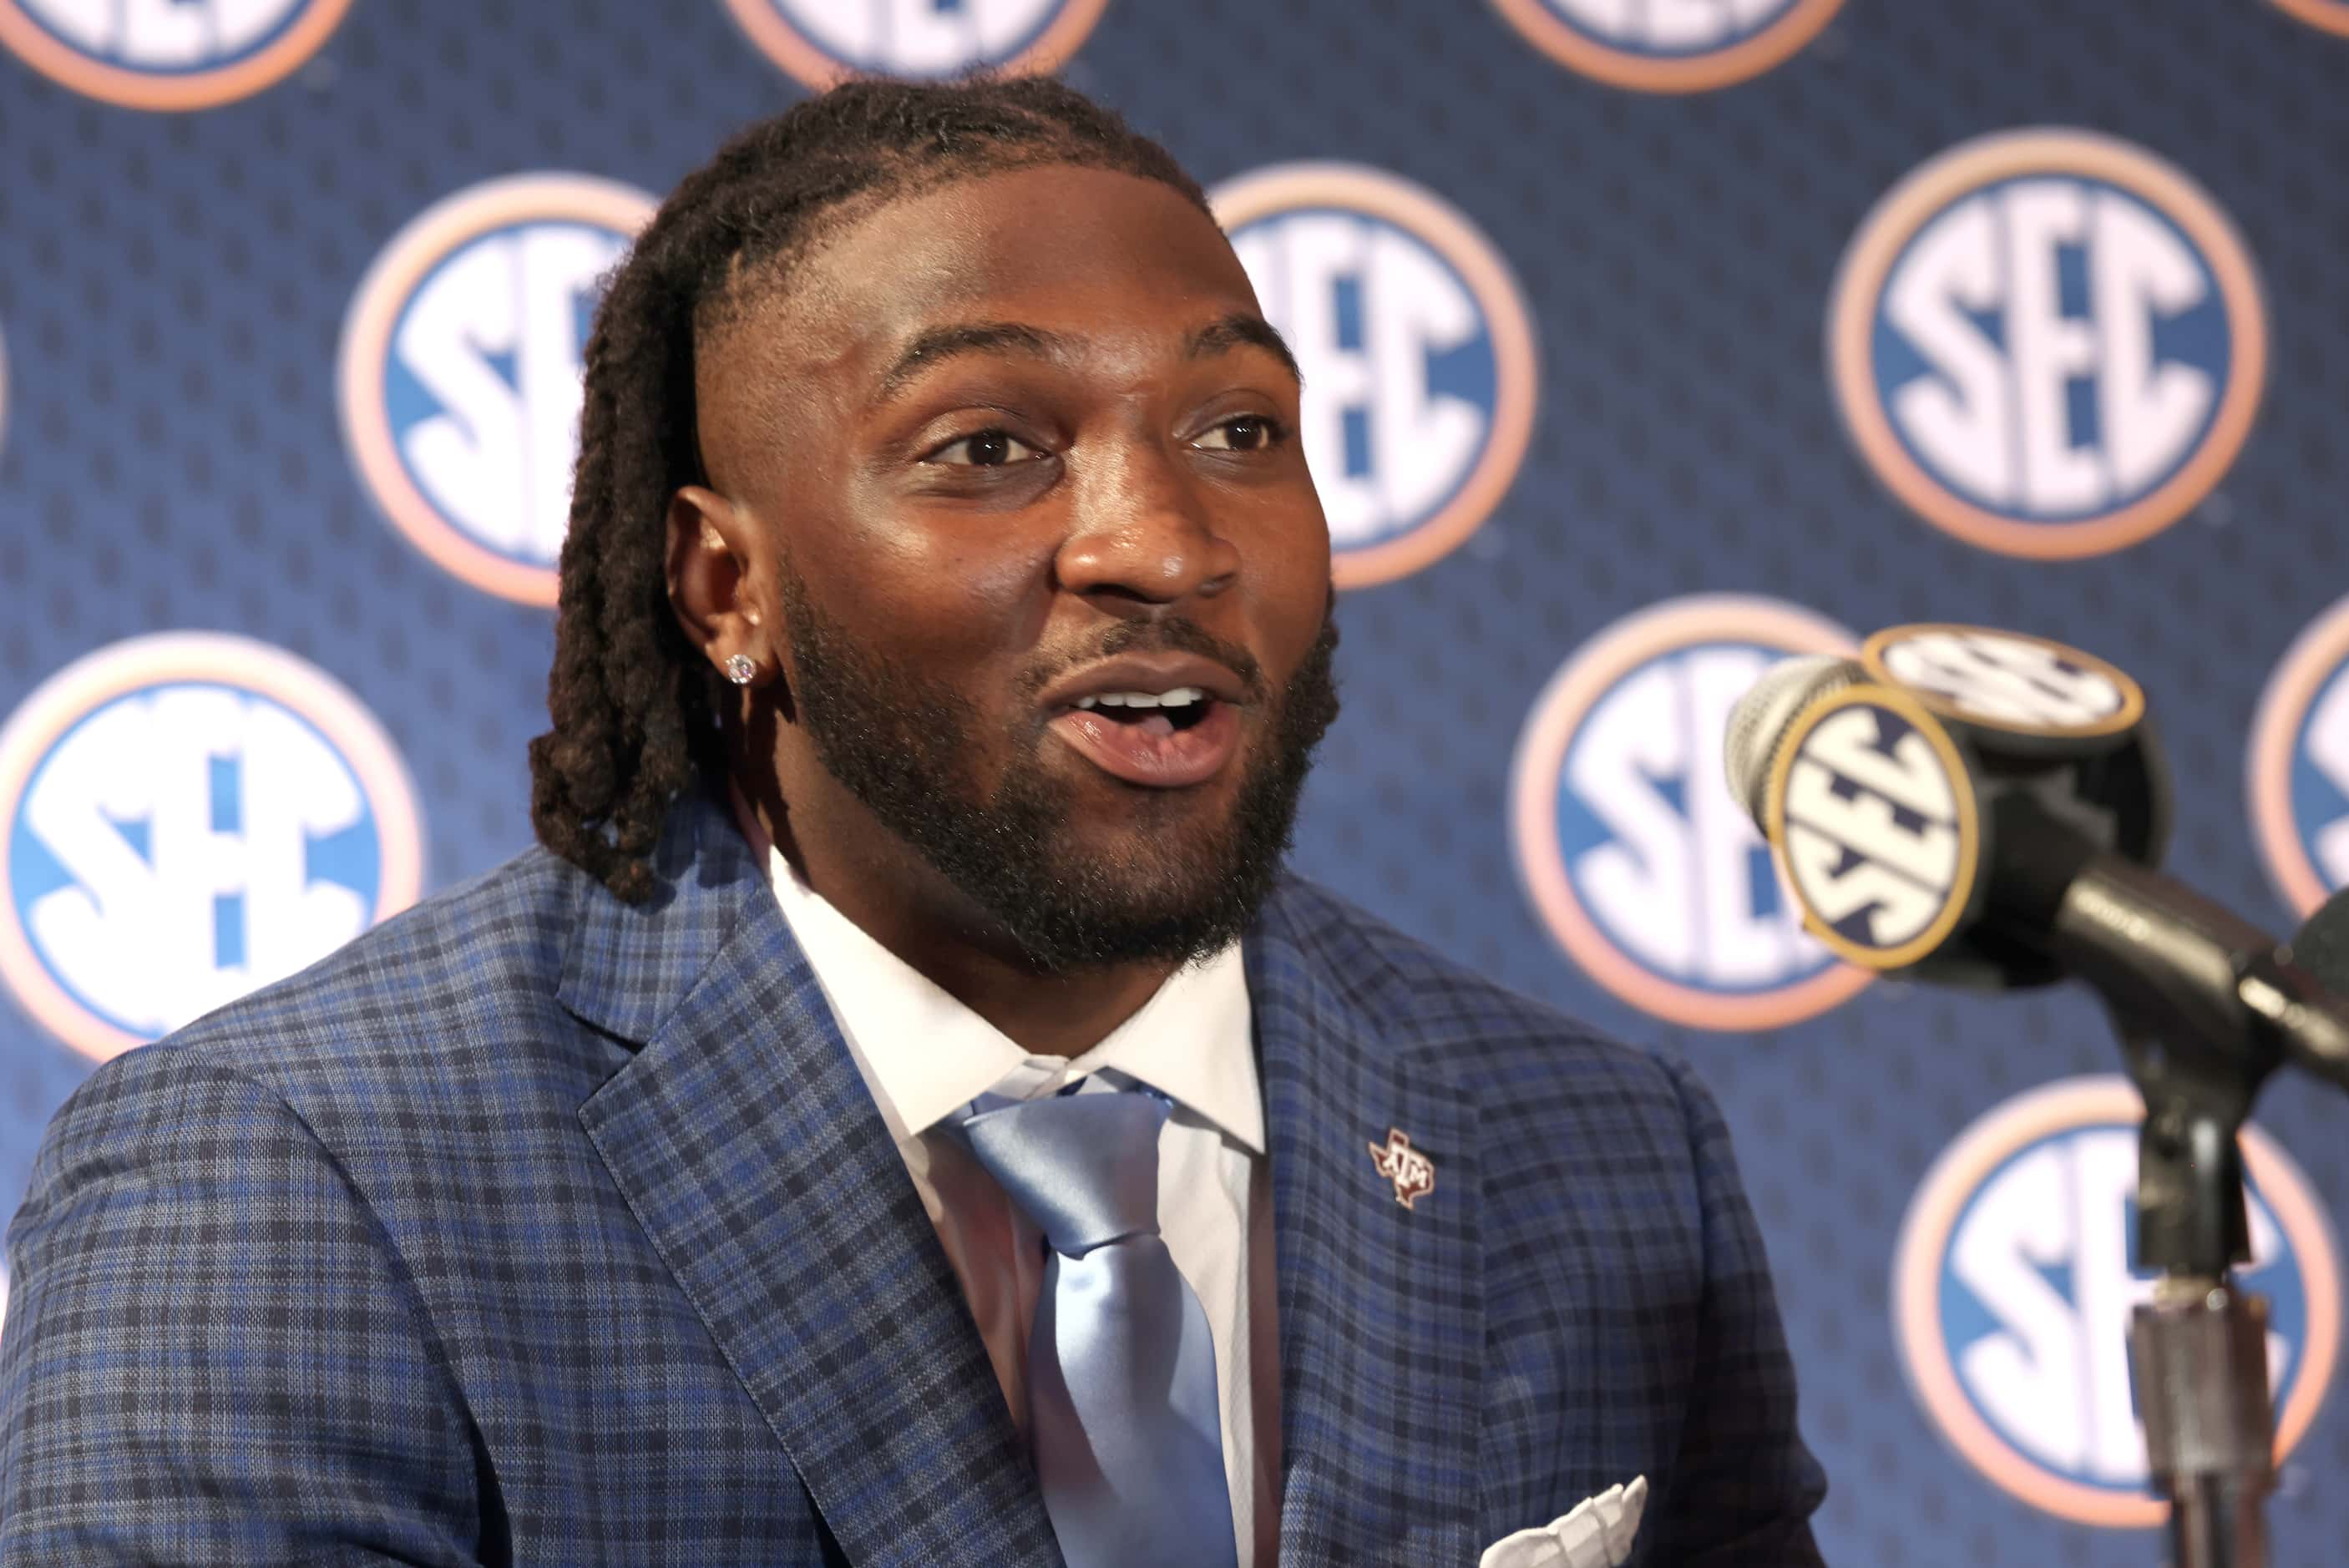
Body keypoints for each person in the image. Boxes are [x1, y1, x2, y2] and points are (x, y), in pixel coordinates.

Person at [0, 78, 1825, 1566]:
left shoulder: (1599, 1150)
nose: (1163, 542)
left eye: (1239, 430)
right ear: (726, 588)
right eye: (987, 448)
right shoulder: (296, 1171)